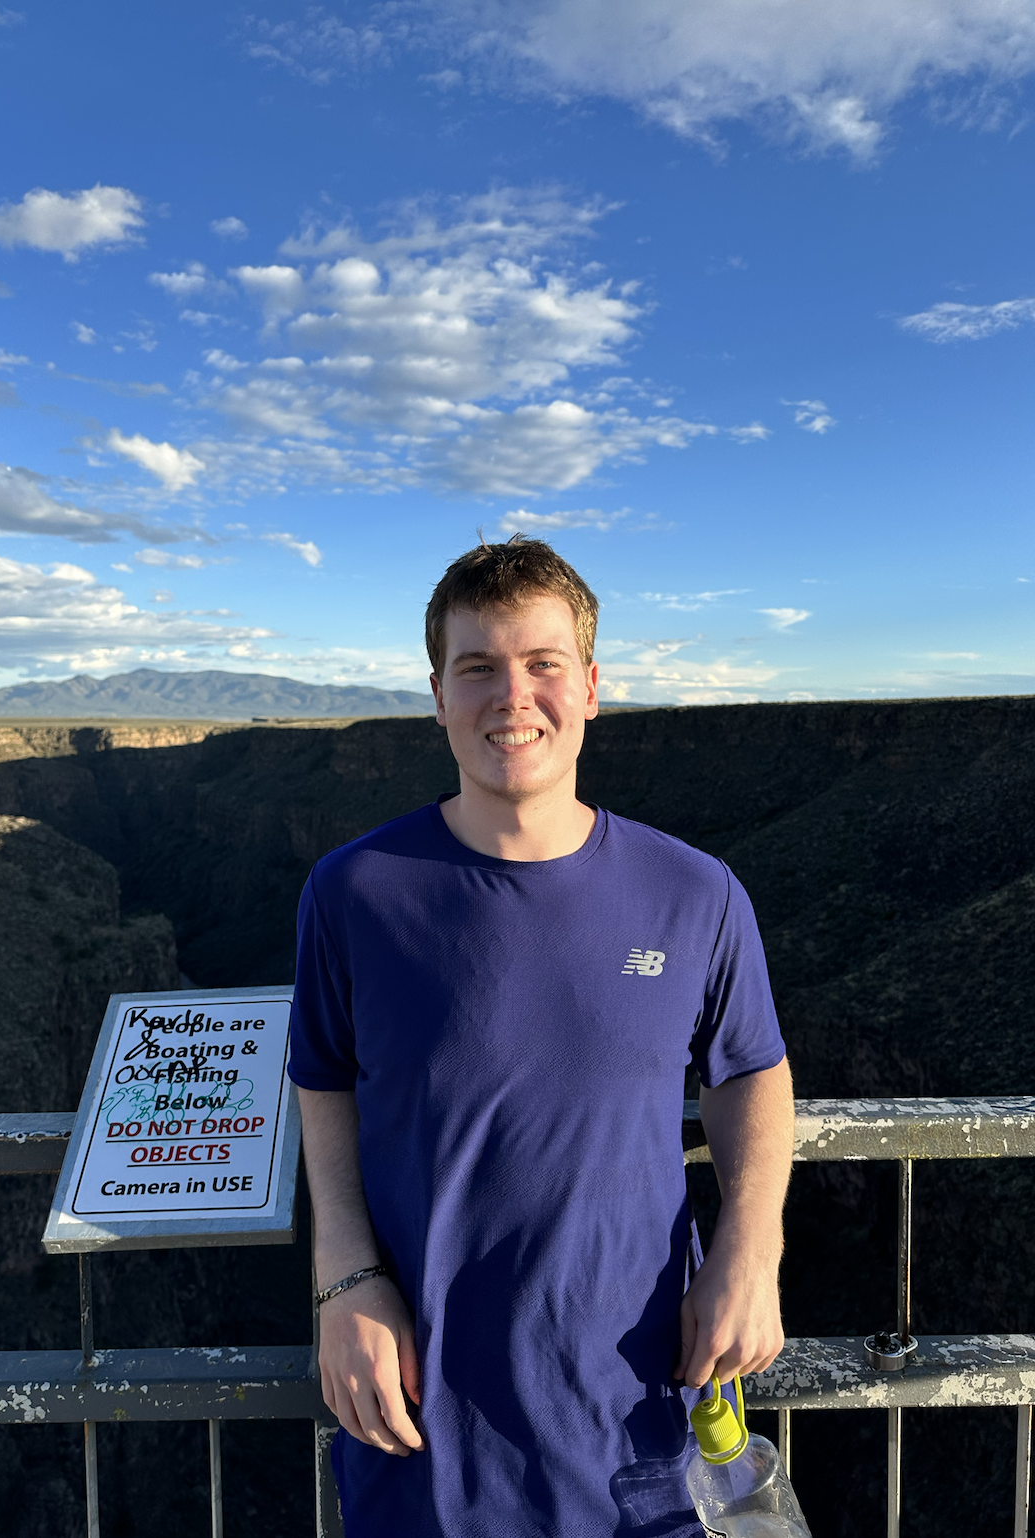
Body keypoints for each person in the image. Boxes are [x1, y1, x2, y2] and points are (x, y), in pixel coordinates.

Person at [288, 537, 794, 1538]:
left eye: (542, 663)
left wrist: (753, 1242)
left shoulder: (695, 893)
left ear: (592, 686)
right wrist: (342, 1277)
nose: (510, 695)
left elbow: (753, 1073)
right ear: (438, 694)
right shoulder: (353, 892)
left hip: (648, 1434)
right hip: (425, 1430)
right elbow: (324, 1080)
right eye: (477, 667)